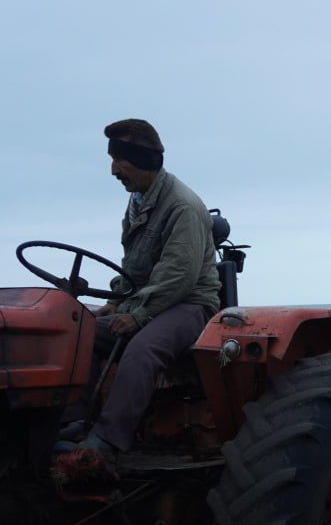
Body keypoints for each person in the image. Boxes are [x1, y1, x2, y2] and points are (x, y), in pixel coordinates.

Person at [71, 119, 220, 459]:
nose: (113, 171)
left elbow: (178, 275)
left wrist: (137, 315)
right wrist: (118, 299)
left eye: (119, 160)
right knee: (82, 332)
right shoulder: (139, 201)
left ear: (142, 159)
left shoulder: (182, 205)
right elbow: (136, 265)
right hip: (152, 299)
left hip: (191, 304)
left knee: (141, 349)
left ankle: (107, 441)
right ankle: (76, 421)